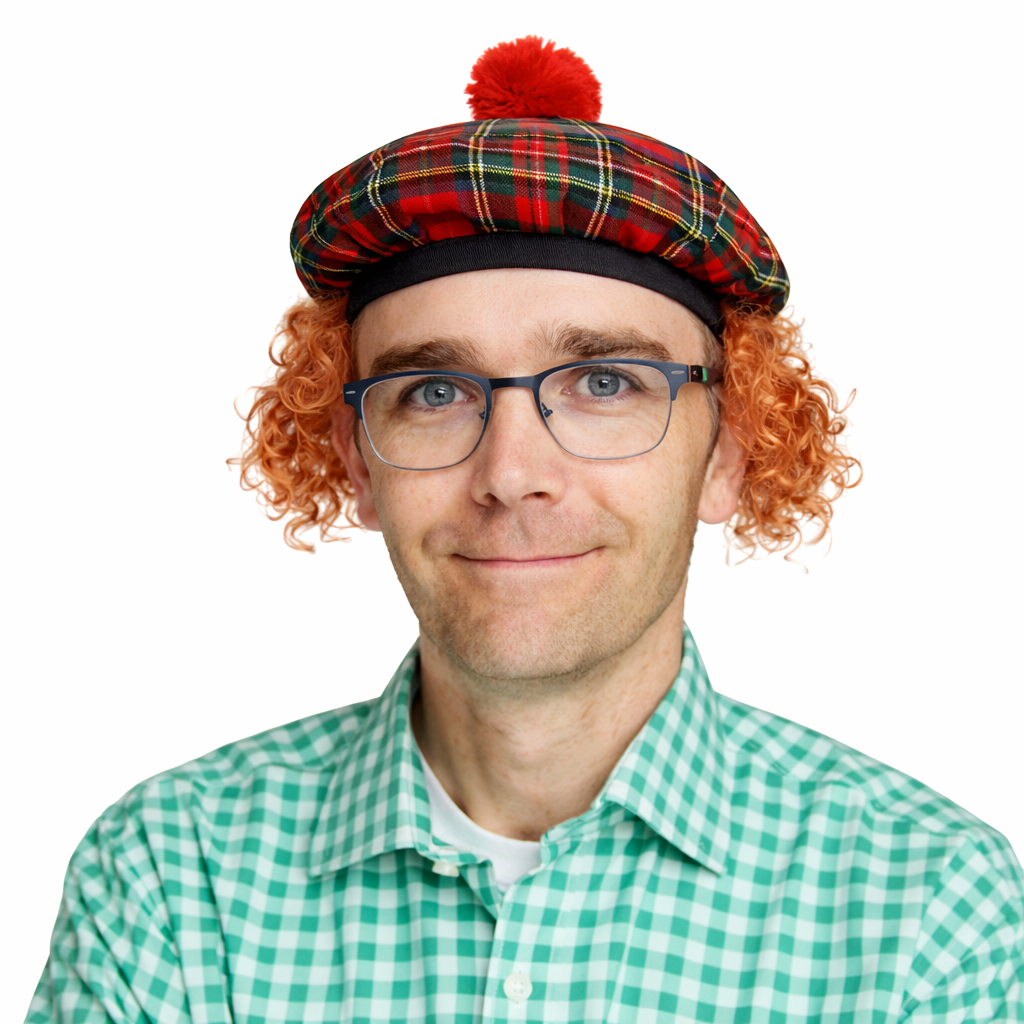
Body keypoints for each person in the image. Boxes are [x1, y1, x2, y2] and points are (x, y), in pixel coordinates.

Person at [28, 36, 1023, 1024]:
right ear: (356, 461)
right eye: (433, 391)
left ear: (729, 450)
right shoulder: (171, 881)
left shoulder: (929, 911)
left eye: (605, 383)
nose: (510, 476)